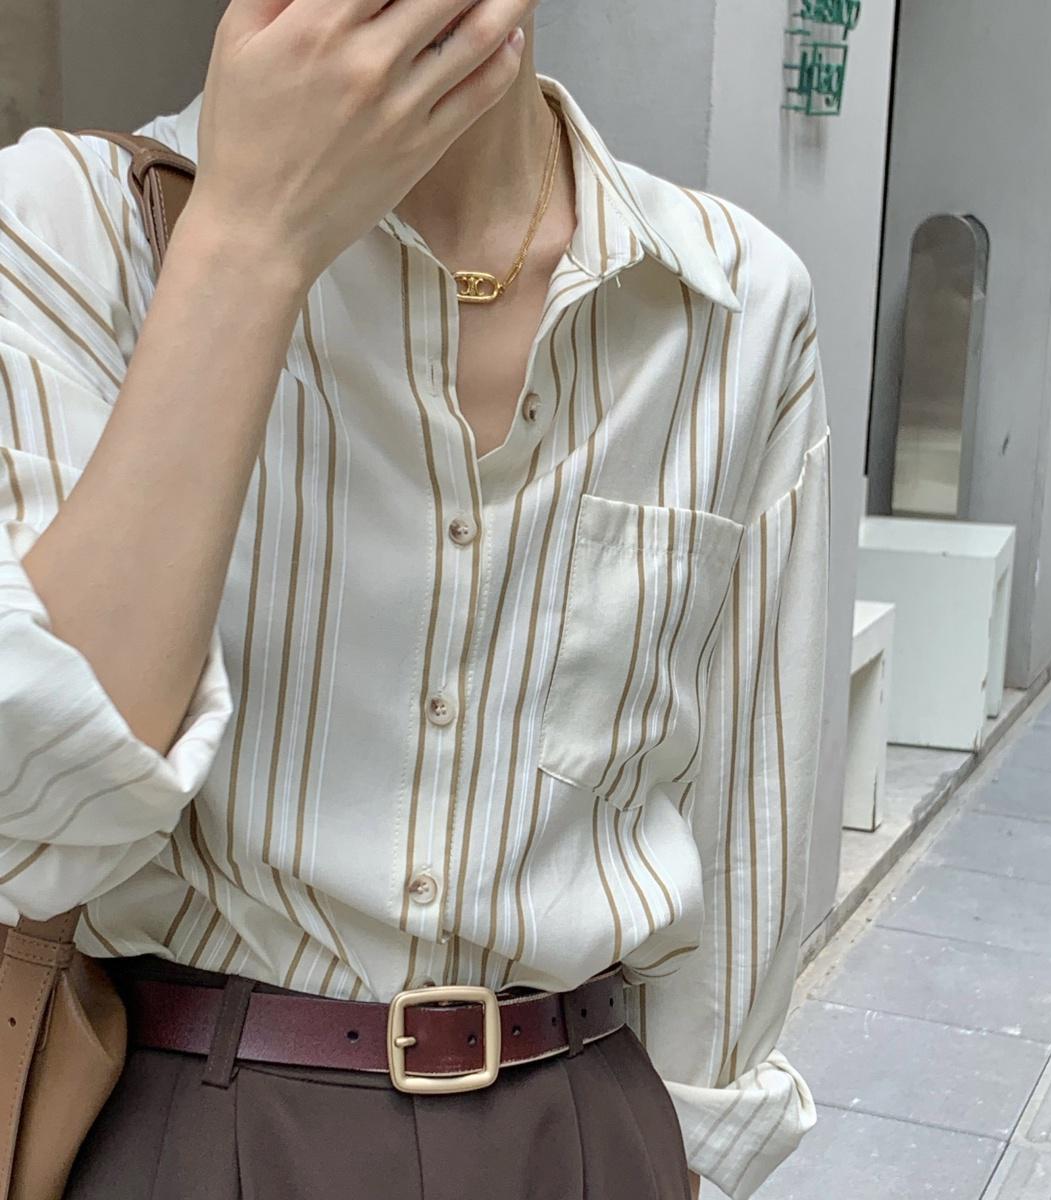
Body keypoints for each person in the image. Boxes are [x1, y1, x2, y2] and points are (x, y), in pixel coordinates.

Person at [0, 1, 831, 1197]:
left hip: (582, 1124)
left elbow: (747, 821)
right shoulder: (67, 231)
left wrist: (681, 1156)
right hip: (197, 1114)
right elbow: (32, 824)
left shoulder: (730, 300)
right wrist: (245, 240)